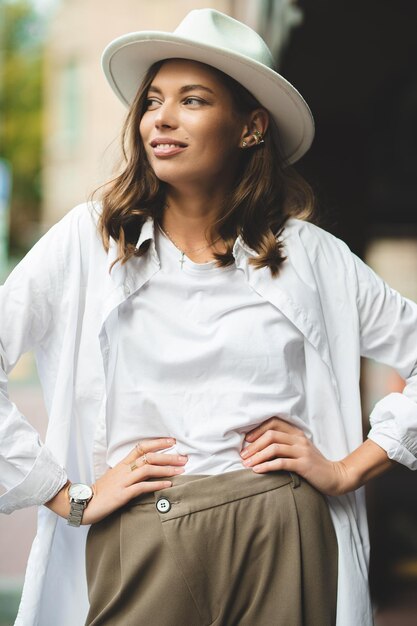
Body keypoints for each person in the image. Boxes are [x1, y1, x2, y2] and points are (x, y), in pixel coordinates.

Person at [1, 8, 416, 626]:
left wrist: (347, 467)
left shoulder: (312, 257)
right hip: (138, 536)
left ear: (251, 126)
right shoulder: (89, 243)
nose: (160, 119)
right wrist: (65, 493)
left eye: (192, 100)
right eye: (152, 102)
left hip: (284, 530)